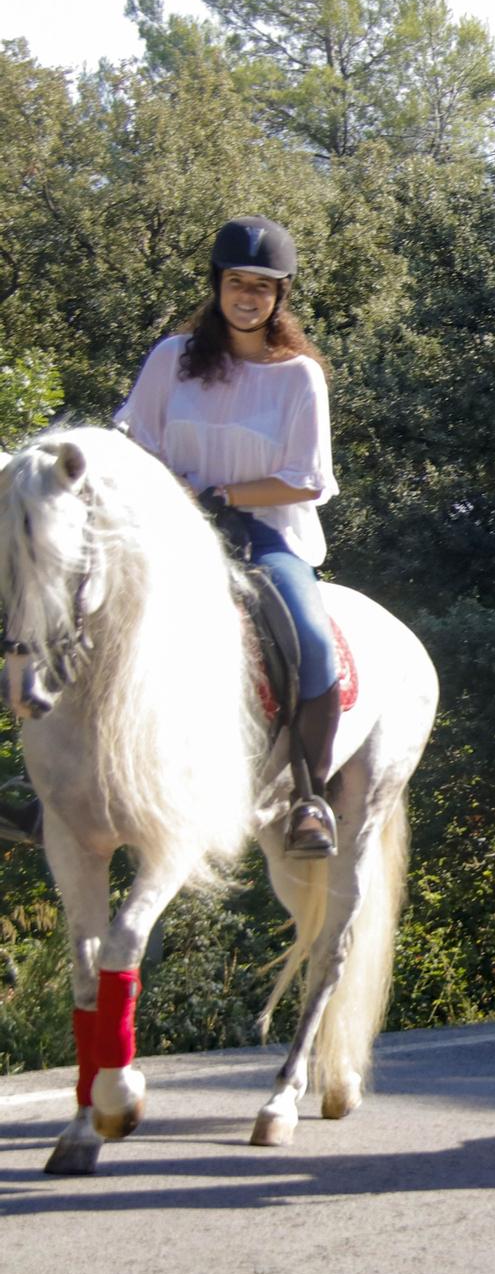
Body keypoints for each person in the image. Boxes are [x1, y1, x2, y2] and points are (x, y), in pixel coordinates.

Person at [114, 216, 342, 857]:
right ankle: (53, 779)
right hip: (170, 528)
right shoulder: (170, 360)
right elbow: (138, 443)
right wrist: (175, 493)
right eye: (237, 282)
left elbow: (306, 481)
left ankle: (309, 798)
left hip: (265, 535)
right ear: (217, 286)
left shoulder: (299, 376)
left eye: (263, 288)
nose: (248, 297)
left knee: (315, 643)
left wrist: (227, 496)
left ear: (279, 297)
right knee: (79, 603)